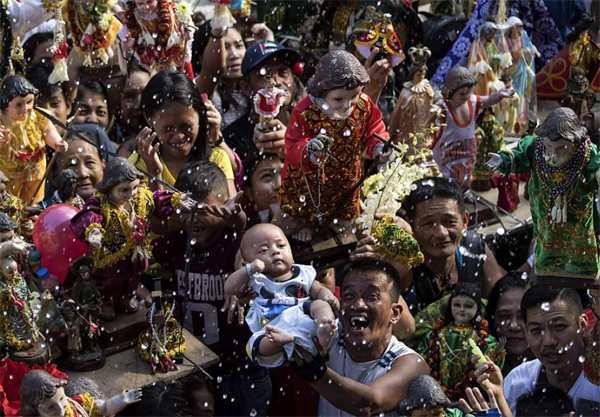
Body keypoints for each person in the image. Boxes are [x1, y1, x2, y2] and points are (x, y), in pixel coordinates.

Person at [152, 161, 271, 417]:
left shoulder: (239, 246)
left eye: (202, 210)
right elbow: (146, 253)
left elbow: (263, 253)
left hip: (241, 370)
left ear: (224, 207)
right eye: (185, 210)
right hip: (196, 372)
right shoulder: (177, 243)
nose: (191, 218)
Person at [290, 259, 429, 417]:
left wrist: (317, 374)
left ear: (395, 313)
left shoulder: (410, 363)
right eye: (349, 296)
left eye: (371, 296)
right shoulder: (328, 333)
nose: (358, 305)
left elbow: (370, 404)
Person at [278, 50, 392, 240]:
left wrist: (379, 146)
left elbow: (374, 127)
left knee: (345, 199)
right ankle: (305, 223)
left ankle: (339, 218)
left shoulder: (363, 104)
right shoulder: (305, 111)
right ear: (323, 92)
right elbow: (292, 143)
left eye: (354, 96)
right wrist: (309, 149)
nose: (347, 105)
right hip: (311, 174)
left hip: (346, 168)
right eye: (338, 99)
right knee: (305, 201)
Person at [352, 177, 505, 316]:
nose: (441, 233)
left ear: (465, 220)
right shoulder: (404, 262)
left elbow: (502, 302)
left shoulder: (474, 248)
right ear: (411, 224)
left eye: (449, 222)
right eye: (428, 224)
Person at [225, 223, 339, 368]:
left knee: (320, 305)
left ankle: (325, 326)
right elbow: (230, 288)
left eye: (281, 246)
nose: (275, 252)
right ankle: (281, 341)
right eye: (264, 250)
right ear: (249, 261)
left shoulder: (304, 273)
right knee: (256, 343)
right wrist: (248, 270)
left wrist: (328, 297)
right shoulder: (256, 278)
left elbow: (318, 290)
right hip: (273, 326)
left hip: (304, 317)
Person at [131, 72, 236, 197]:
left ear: (201, 114)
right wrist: (154, 173)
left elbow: (233, 213)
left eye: (186, 126)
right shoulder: (137, 166)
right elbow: (147, 216)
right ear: (149, 119)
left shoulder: (216, 158)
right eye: (168, 128)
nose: (179, 136)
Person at [502, 287, 600, 415]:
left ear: (582, 325)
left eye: (559, 327)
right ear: (526, 332)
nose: (548, 341)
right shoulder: (517, 383)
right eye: (536, 330)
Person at [431, 66, 514, 190]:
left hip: (468, 155)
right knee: (447, 186)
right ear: (450, 91)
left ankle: (466, 191)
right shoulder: (443, 107)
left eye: (469, 93)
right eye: (462, 94)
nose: (466, 97)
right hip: (448, 159)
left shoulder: (472, 101)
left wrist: (501, 94)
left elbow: (489, 99)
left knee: (467, 177)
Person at [223, 40, 300, 161]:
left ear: (293, 80)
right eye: (265, 75)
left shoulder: (307, 126)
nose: (276, 82)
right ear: (247, 88)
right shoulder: (232, 139)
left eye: (282, 72)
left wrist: (293, 152)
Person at [0, 76, 68, 204]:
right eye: (19, 105)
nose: (25, 108)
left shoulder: (38, 115)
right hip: (9, 168)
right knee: (9, 197)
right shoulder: (2, 121)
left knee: (33, 194)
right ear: (5, 104)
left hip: (35, 165)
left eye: (29, 102)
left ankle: (30, 213)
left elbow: (49, 131)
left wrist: (57, 142)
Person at [485, 273, 533, 375]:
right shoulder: (481, 367)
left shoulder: (553, 370)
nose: (514, 326)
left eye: (523, 316)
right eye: (504, 316)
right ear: (492, 320)